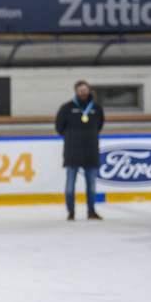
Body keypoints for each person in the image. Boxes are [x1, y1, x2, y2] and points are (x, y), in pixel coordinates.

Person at [55, 81, 105, 221]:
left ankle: (91, 211)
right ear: (75, 91)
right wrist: (72, 137)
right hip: (72, 151)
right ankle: (71, 211)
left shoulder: (96, 108)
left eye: (85, 89)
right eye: (80, 90)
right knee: (70, 185)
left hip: (91, 151)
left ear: (88, 91)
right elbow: (59, 127)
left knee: (92, 186)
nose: (83, 92)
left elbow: (100, 125)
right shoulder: (67, 108)